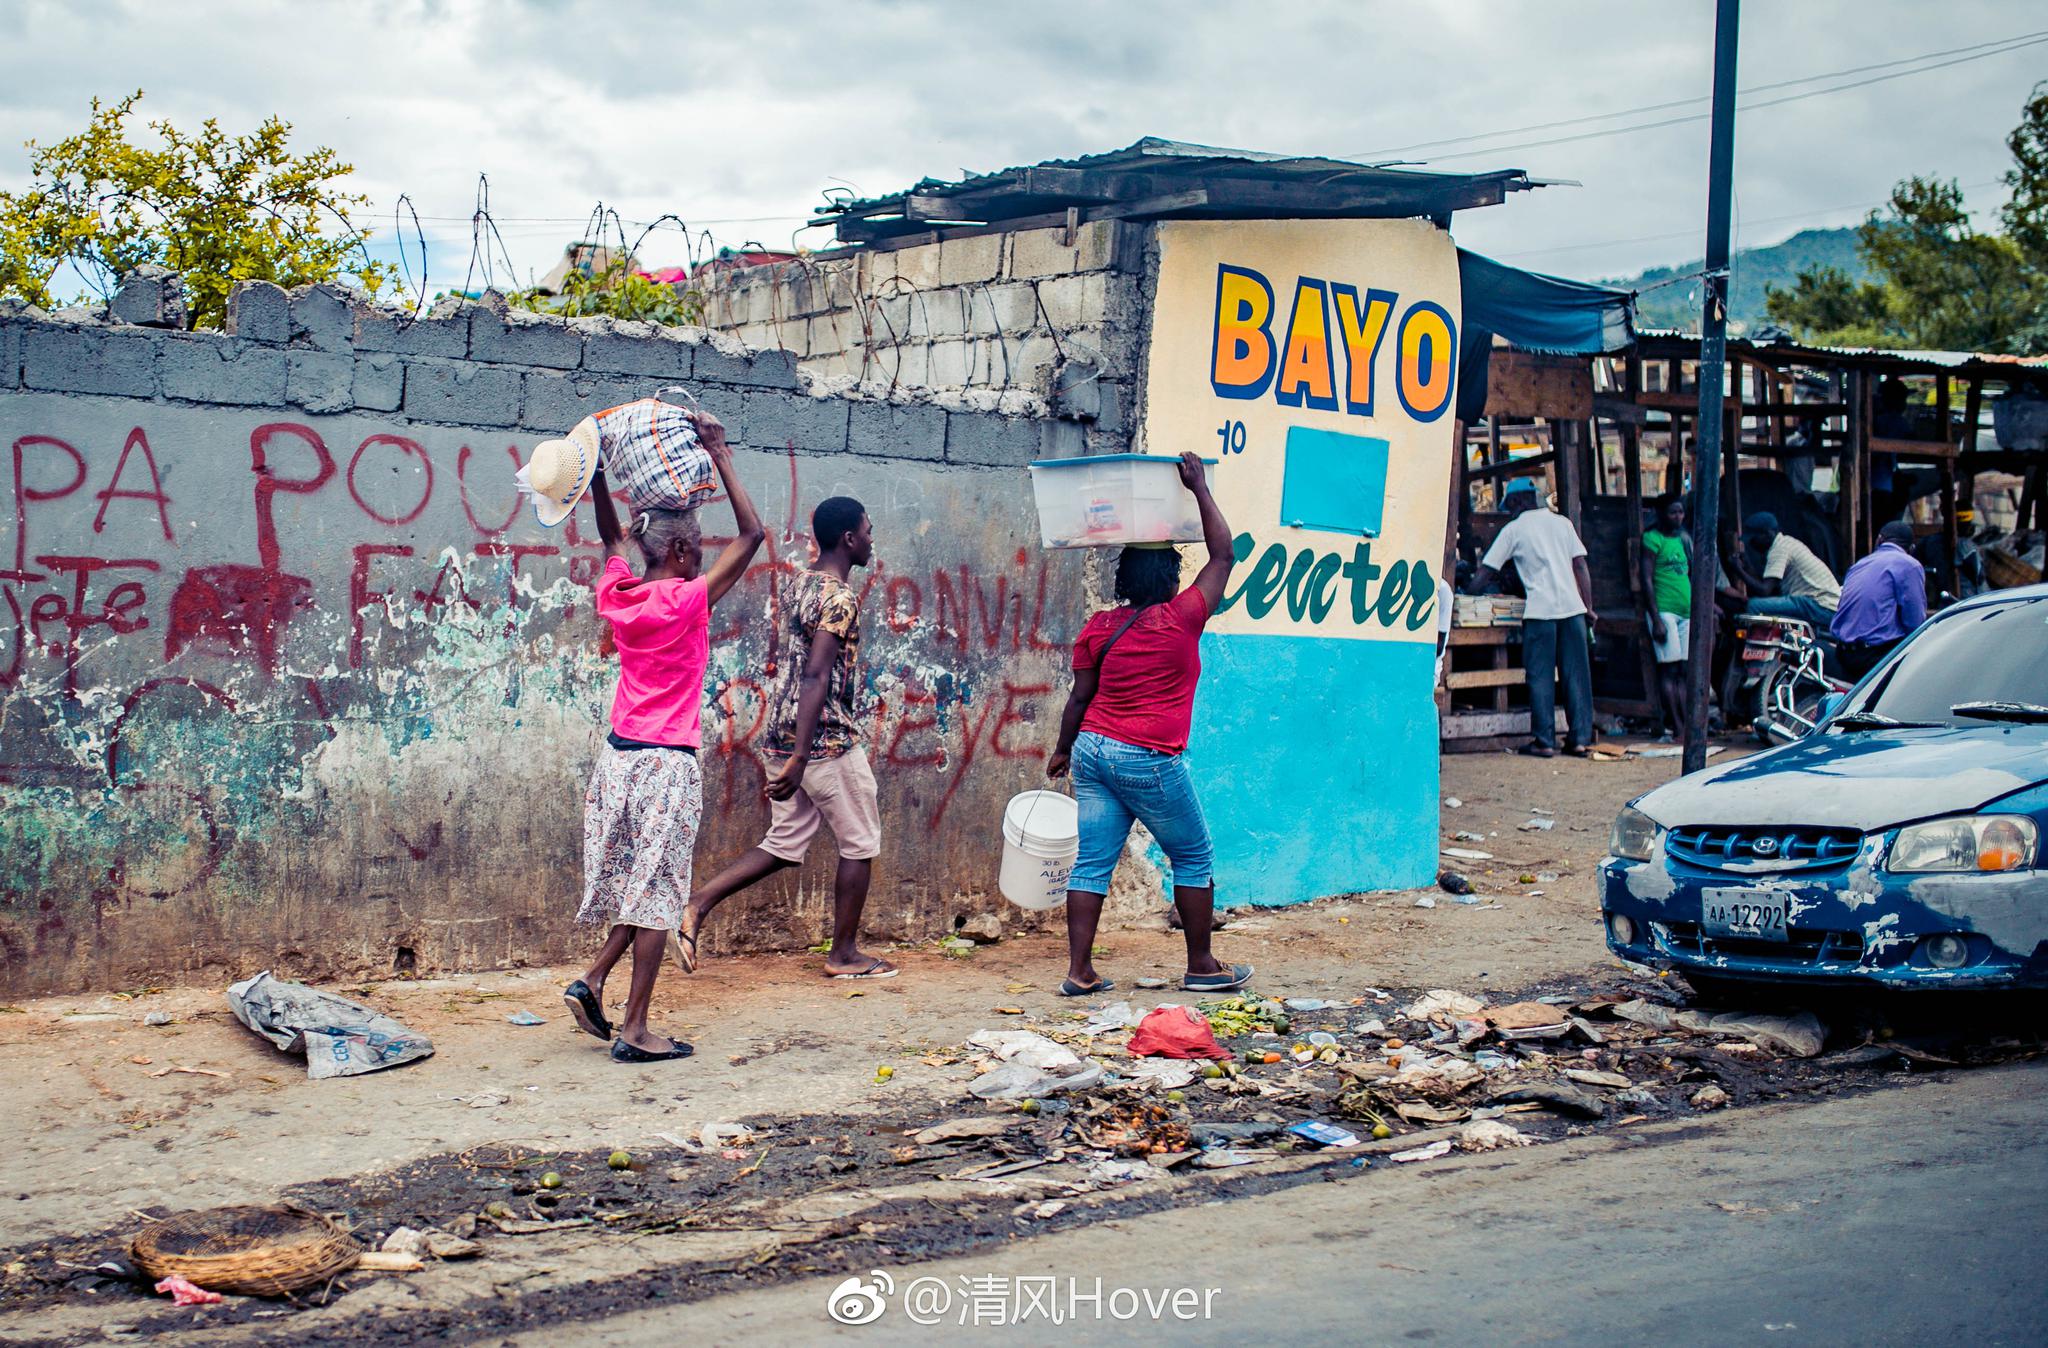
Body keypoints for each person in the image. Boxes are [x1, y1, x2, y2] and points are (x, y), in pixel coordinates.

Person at [561, 413, 765, 1063]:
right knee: (657, 895)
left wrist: (596, 476)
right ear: (678, 552)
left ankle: (593, 979)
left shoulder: (619, 592)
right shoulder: (685, 601)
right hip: (665, 765)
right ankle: (636, 1029)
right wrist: (720, 453)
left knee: (640, 881)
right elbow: (754, 534)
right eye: (697, 547)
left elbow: (612, 537)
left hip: (618, 759)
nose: (703, 554)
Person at [1046, 452, 1250, 998]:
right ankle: (1202, 966)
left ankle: (1080, 972)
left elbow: (1080, 697)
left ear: (1123, 578)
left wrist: (1063, 750)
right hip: (1148, 757)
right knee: (1193, 856)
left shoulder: (1098, 626)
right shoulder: (1182, 617)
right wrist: (1199, 488)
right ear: (1170, 578)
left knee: (1092, 864)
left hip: (1092, 750)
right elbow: (1224, 554)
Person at [680, 496, 895, 979]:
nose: (871, 539)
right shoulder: (839, 598)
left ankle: (695, 905)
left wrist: (794, 751)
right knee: (860, 843)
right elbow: (816, 675)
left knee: (784, 842)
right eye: (867, 531)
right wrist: (801, 756)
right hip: (823, 740)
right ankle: (843, 955)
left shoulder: (800, 583)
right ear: (849, 539)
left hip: (782, 731)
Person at [1469, 478, 1594, 757]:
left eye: (1510, 505)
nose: (1509, 511)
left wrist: (1467, 593)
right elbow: (1580, 566)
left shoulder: (1515, 529)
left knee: (1540, 677)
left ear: (1517, 501)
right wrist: (1589, 606)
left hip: (1540, 612)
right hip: (1573, 610)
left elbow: (1487, 570)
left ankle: (1544, 741)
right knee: (1576, 677)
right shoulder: (1563, 524)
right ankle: (1579, 739)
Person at [1831, 520, 1928, 680]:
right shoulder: (1909, 565)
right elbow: (1915, 621)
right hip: (1873, 655)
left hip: (1843, 652)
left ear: (1879, 540)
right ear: (1911, 549)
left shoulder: (1860, 564)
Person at [1729, 512, 1840, 629]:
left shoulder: (1779, 550)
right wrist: (1747, 567)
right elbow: (1768, 589)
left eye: (1754, 539)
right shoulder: (1785, 543)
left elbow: (1764, 590)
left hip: (1819, 606)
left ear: (1767, 534)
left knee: (1753, 605)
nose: (1752, 544)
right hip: (1823, 606)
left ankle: (1755, 641)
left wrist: (1738, 570)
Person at [1639, 495, 1692, 738]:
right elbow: (1646, 579)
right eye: (1673, 512)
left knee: (1684, 670)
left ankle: (1686, 724)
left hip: (1686, 612)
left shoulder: (1682, 539)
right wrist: (1656, 619)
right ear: (1661, 514)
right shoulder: (1652, 539)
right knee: (1669, 671)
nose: (1678, 517)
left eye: (1680, 512)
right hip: (1664, 612)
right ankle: (1677, 725)